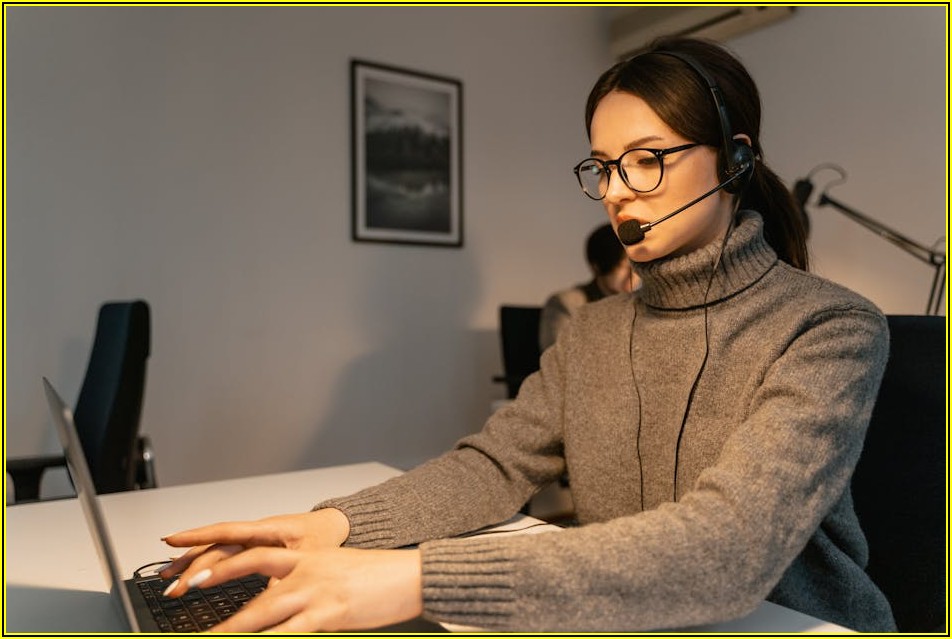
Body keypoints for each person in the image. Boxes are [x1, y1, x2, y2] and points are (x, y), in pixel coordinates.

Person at [158, 37, 895, 632]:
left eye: (646, 160)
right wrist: (336, 526)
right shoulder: (592, 331)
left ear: (734, 159)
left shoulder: (828, 328)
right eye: (603, 167)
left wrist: (417, 579)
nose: (615, 192)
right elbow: (493, 467)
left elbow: (727, 550)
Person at [538, 222, 636, 350]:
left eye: (637, 265)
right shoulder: (567, 304)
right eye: (622, 266)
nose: (632, 274)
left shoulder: (643, 306)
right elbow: (560, 356)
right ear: (597, 267)